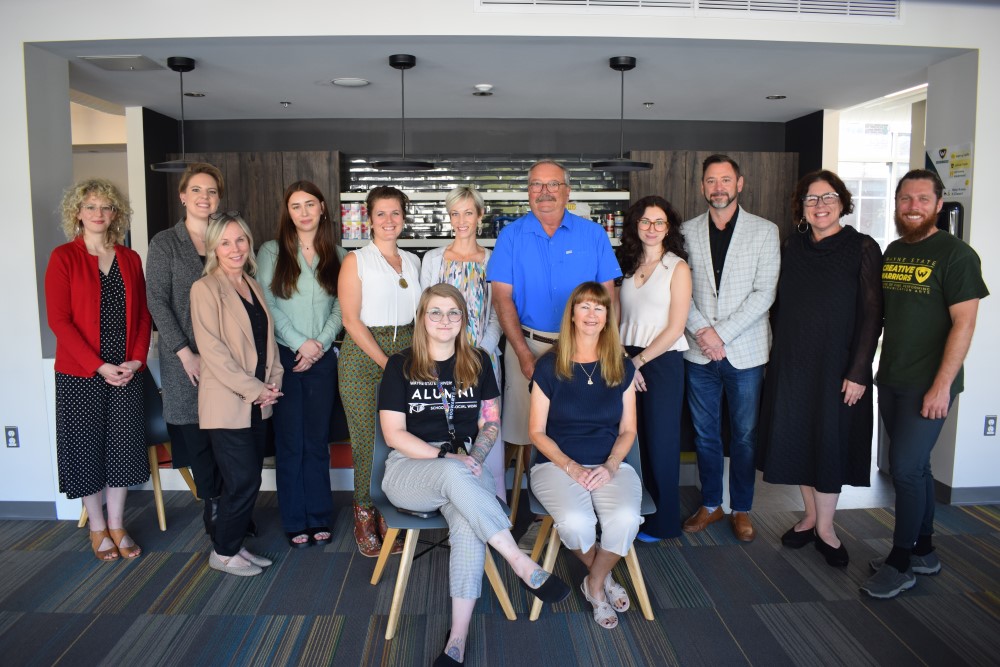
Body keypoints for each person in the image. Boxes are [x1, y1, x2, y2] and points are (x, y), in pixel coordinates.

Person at [379, 284, 570, 666]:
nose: (444, 320)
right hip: (408, 471)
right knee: (454, 474)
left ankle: (457, 638)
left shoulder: (479, 361)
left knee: (467, 524)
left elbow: (490, 423)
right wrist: (446, 457)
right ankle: (518, 560)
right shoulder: (400, 365)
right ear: (422, 318)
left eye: (453, 313)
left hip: (467, 468)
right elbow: (393, 435)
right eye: (435, 312)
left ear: (464, 320)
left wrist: (473, 458)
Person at [861, 169, 989, 599]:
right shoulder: (894, 250)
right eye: (905, 199)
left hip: (929, 383)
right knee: (918, 468)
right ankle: (925, 549)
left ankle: (900, 562)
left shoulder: (957, 255)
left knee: (905, 469)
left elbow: (965, 323)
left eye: (921, 199)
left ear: (938, 205)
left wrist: (942, 386)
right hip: (893, 377)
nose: (912, 206)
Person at [488, 160, 621, 546]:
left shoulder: (593, 234)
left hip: (585, 347)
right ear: (527, 191)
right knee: (528, 434)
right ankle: (530, 515)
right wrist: (523, 354)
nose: (544, 192)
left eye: (552, 185)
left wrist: (608, 348)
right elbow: (502, 299)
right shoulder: (511, 236)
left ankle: (577, 511)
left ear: (567, 190)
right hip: (527, 343)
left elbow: (608, 296)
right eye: (536, 185)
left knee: (573, 425)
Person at [756, 170, 883, 567]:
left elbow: (873, 314)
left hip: (839, 368)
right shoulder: (792, 246)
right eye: (811, 199)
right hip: (793, 364)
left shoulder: (862, 247)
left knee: (828, 443)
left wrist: (860, 370)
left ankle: (827, 528)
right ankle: (809, 516)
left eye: (828, 197)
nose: (820, 205)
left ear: (842, 202)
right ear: (802, 208)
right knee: (799, 441)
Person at [45, 179, 151, 561]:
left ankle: (118, 524)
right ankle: (96, 528)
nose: (98, 214)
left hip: (125, 369)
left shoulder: (129, 258)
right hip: (80, 373)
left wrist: (135, 361)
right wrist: (98, 366)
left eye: (106, 207)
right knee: (86, 450)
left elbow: (142, 316)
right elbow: (59, 322)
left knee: (122, 450)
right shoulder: (64, 257)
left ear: (115, 214)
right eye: (90, 207)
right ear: (78, 212)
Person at [528, 282, 641, 630]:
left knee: (624, 519)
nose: (592, 315)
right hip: (555, 465)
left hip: (610, 464)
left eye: (599, 308)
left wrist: (609, 466)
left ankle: (593, 583)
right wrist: (570, 466)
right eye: (585, 308)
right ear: (573, 315)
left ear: (607, 317)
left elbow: (628, 431)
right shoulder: (549, 367)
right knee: (576, 524)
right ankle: (604, 579)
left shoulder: (621, 367)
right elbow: (536, 432)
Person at [679, 154, 779, 542]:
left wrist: (721, 335)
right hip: (698, 352)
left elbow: (764, 293)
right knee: (705, 435)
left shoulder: (764, 231)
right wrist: (704, 331)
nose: (717, 188)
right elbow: (679, 291)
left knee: (744, 436)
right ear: (702, 186)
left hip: (746, 351)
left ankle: (742, 508)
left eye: (725, 180)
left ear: (740, 183)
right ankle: (710, 504)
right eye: (710, 181)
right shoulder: (685, 232)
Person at [191, 212, 284, 576]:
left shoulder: (252, 283)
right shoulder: (205, 288)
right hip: (228, 402)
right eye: (226, 242)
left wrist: (273, 383)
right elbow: (212, 352)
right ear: (214, 246)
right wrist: (256, 389)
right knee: (242, 479)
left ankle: (233, 546)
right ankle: (223, 552)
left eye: (240, 240)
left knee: (250, 478)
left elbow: (268, 342)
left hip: (258, 402)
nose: (234, 248)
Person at [258, 181, 348, 549]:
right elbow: (267, 303)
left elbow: (343, 306)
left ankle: (319, 516)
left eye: (310, 204)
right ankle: (295, 519)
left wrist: (320, 345)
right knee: (289, 443)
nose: (304, 212)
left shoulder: (337, 254)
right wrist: (300, 344)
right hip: (283, 358)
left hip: (323, 360)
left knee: (316, 443)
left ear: (322, 208)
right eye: (296, 206)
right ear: (288, 212)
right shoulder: (271, 251)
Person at [338, 186, 422, 556]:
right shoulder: (356, 261)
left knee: (397, 440)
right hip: (363, 357)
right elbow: (351, 321)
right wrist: (387, 363)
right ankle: (363, 514)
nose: (389, 220)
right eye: (381, 213)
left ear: (404, 218)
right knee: (367, 441)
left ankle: (389, 510)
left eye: (396, 213)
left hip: (406, 350)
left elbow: (420, 316)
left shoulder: (413, 261)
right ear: (369, 219)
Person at [146, 162, 228, 538]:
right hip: (186, 359)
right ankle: (213, 511)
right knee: (198, 438)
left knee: (228, 436)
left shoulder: (225, 238)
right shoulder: (165, 242)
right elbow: (157, 302)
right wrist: (184, 352)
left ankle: (234, 509)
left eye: (211, 191)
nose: (204, 197)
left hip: (227, 356)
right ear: (183, 195)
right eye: (196, 190)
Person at [420, 185, 505, 498]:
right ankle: (445, 498)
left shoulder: (494, 260)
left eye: (468, 212)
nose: (461, 219)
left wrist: (478, 354)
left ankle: (490, 503)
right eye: (455, 213)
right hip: (438, 361)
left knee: (487, 431)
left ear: (480, 215)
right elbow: (424, 313)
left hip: (482, 359)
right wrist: (441, 354)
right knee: (443, 428)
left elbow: (496, 317)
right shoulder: (433, 259)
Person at [616, 195, 691, 542]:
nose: (652, 228)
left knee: (660, 442)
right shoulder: (625, 266)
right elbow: (614, 319)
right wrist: (622, 359)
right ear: (635, 225)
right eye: (645, 221)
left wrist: (638, 363)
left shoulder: (677, 267)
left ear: (669, 227)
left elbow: (676, 327)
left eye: (659, 222)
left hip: (661, 361)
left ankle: (663, 522)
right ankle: (633, 516)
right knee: (629, 442)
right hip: (624, 358)